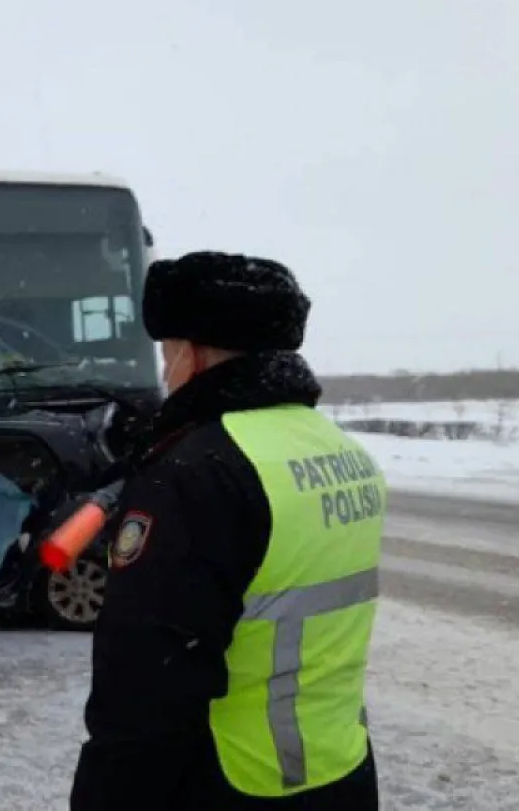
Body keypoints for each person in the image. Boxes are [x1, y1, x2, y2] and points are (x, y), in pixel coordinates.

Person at [70, 251, 382, 810]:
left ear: (190, 354)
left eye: (167, 352)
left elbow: (145, 685)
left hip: (233, 778)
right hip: (341, 768)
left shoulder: (198, 470)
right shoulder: (342, 451)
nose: (166, 369)